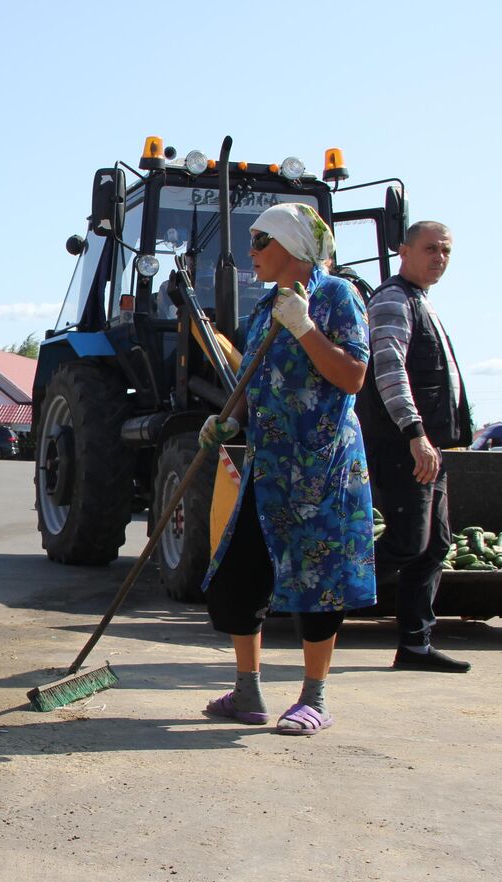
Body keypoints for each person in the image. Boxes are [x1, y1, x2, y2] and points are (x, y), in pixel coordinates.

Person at [200, 202, 375, 736]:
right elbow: (259, 383)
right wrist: (228, 421)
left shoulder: (335, 297)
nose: (250, 252)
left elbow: (352, 376)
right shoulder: (263, 310)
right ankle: (247, 690)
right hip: (269, 465)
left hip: (322, 470)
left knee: (317, 582)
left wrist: (302, 327)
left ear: (292, 248)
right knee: (235, 579)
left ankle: (314, 697)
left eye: (259, 241)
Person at [358, 222, 472, 673]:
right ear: (403, 250)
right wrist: (414, 433)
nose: (439, 257)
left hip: (430, 447)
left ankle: (415, 645)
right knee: (407, 544)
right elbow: (388, 370)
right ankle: (320, 601)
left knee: (434, 545)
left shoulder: (421, 302)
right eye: (430, 249)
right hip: (403, 446)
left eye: (446, 250)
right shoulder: (392, 300)